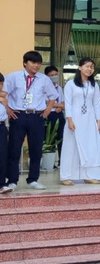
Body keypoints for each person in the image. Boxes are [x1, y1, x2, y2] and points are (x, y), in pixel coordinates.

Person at [3, 51, 58, 191]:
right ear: (25, 63)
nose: (36, 66)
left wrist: (47, 111)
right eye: (33, 62)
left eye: (39, 63)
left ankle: (33, 179)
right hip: (18, 116)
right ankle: (12, 180)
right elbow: (3, 94)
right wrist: (8, 109)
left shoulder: (44, 79)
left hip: (36, 117)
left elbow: (53, 96)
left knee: (36, 150)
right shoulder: (13, 77)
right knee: (14, 149)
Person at [59, 58, 100, 185]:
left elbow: (96, 104)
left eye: (92, 67)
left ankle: (89, 175)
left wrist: (98, 121)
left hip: (89, 120)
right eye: (87, 66)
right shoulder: (70, 84)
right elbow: (68, 104)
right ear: (79, 68)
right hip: (74, 120)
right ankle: (66, 176)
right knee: (71, 147)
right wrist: (69, 120)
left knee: (90, 147)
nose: (90, 69)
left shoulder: (94, 85)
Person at [44, 65, 65, 163]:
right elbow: (46, 102)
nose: (54, 77)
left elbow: (64, 103)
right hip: (49, 114)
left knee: (62, 138)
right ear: (47, 77)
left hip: (60, 115)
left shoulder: (59, 88)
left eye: (56, 74)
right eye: (52, 75)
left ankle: (62, 160)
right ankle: (50, 162)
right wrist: (58, 106)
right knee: (49, 138)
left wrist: (60, 107)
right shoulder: (44, 88)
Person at [0, 73, 9, 194]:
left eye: (2, 84)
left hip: (1, 126)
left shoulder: (3, 98)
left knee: (2, 156)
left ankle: (1, 183)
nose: (1, 86)